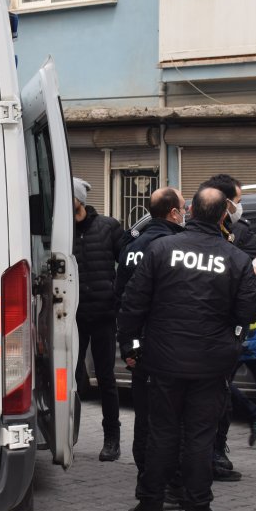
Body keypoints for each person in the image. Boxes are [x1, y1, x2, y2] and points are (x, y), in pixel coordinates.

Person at [119, 187, 256, 511]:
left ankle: (150, 508)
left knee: (162, 433)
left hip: (164, 360)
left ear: (190, 212)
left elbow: (133, 302)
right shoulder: (235, 259)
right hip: (211, 364)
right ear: (223, 216)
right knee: (200, 436)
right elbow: (250, 311)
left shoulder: (161, 249)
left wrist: (130, 346)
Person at [200, 175, 256, 482]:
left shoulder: (241, 233)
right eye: (237, 201)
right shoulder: (193, 234)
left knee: (220, 393)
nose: (240, 207)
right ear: (224, 204)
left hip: (228, 330)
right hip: (200, 330)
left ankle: (216, 455)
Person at [114, 187, 187, 493]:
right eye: (183, 208)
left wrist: (128, 344)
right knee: (169, 418)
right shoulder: (174, 248)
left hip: (139, 346)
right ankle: (167, 483)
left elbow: (121, 297)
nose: (185, 213)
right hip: (166, 345)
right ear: (173, 213)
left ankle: (144, 478)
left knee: (143, 416)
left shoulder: (132, 246)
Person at [72, 177, 124, 462]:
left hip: (104, 314)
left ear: (79, 199)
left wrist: (117, 297)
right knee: (71, 377)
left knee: (106, 378)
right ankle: (66, 434)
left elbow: (127, 264)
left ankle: (112, 439)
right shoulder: (61, 230)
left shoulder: (108, 227)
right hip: (73, 316)